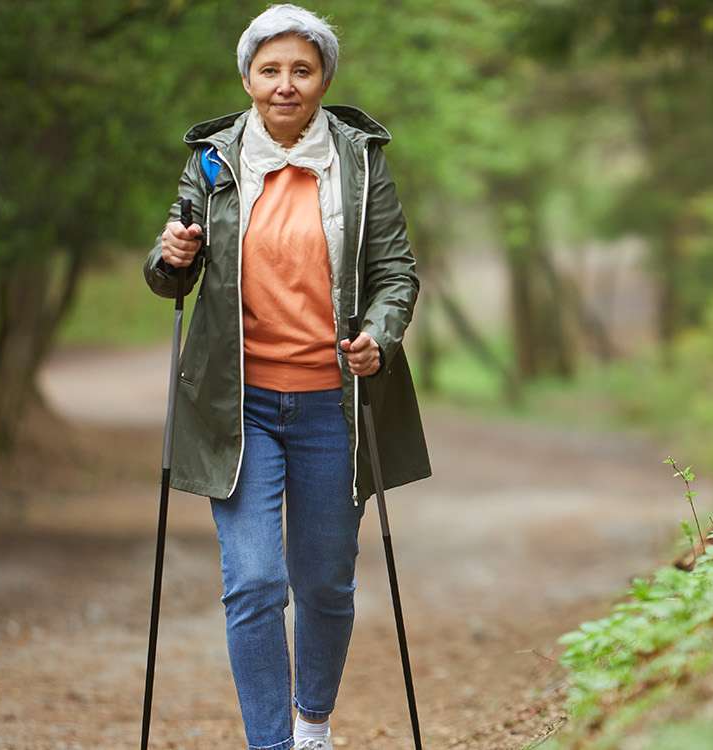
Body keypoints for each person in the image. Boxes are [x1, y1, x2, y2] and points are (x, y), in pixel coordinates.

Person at [142, 5, 431, 749]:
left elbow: (396, 273)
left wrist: (379, 335)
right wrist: (172, 255)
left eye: (302, 69)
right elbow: (171, 275)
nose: (285, 84)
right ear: (247, 77)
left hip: (333, 405)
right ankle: (271, 745)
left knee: (326, 582)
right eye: (270, 70)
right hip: (237, 410)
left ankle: (312, 722)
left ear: (324, 79)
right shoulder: (214, 160)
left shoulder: (358, 160)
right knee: (255, 582)